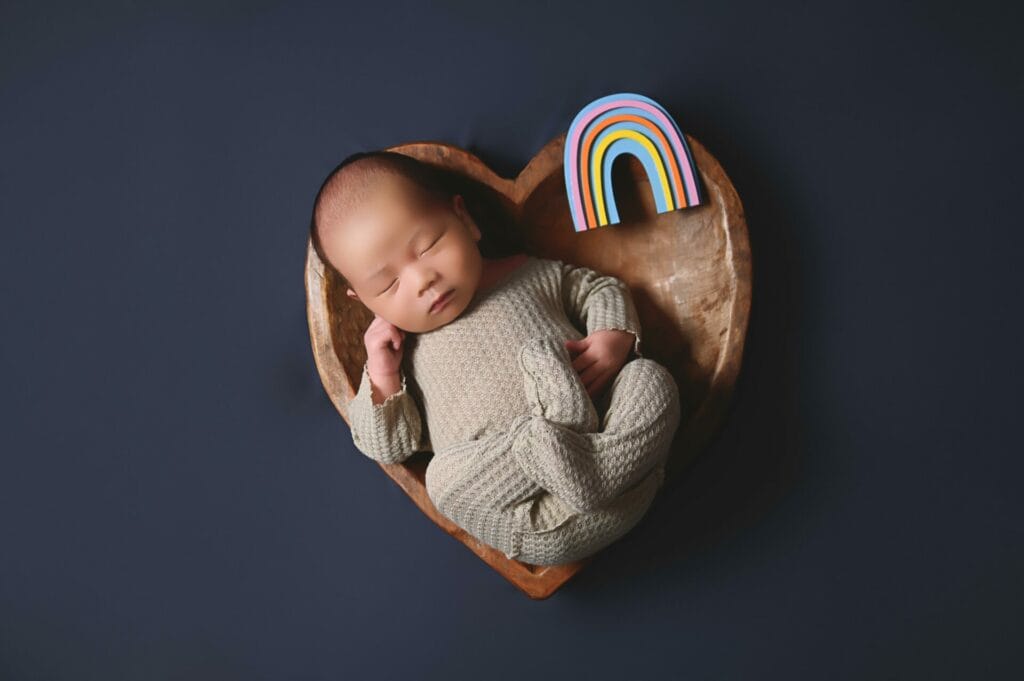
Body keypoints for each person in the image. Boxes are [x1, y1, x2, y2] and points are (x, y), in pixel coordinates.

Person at [309, 150, 682, 566]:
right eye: (388, 284)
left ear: (464, 219)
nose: (422, 280)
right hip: (543, 519)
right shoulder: (401, 351)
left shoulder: (531, 273)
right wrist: (381, 375)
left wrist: (611, 339)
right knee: (443, 482)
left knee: (649, 380)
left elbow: (601, 289)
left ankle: (596, 473)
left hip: (609, 458)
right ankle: (566, 458)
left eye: (429, 245)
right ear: (364, 302)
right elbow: (390, 446)